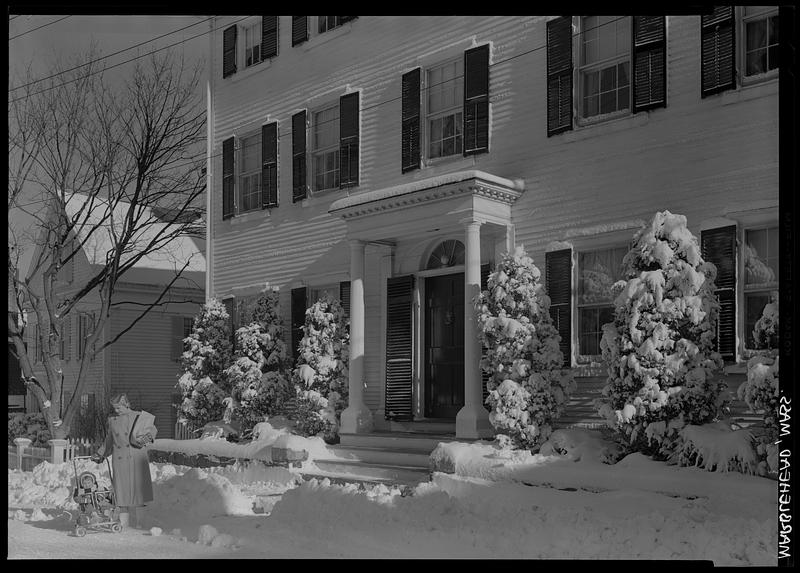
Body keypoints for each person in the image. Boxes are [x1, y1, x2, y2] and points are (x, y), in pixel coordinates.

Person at [91, 393, 157, 529]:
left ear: (126, 404)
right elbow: (109, 440)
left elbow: (152, 429)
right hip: (120, 459)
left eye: (119, 408)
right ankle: (124, 523)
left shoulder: (139, 416)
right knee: (121, 493)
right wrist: (100, 454)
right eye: (114, 408)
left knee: (139, 492)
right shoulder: (112, 420)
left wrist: (148, 437)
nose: (116, 411)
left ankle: (141, 524)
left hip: (137, 457)